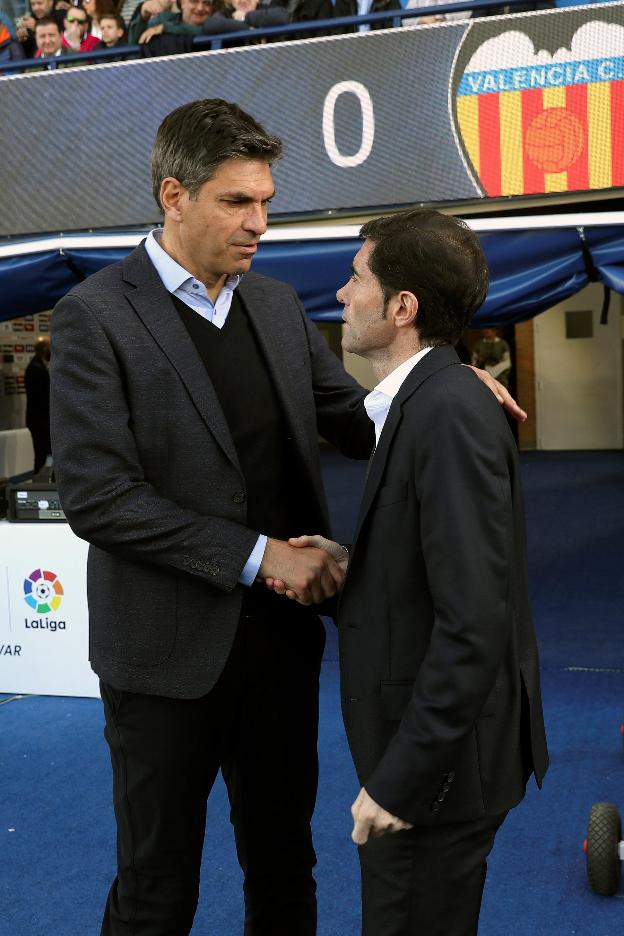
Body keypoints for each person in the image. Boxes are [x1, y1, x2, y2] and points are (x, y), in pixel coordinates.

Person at [50, 99, 523, 936]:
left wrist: (443, 386)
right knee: (156, 889)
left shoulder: (273, 305)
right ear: (174, 196)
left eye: (266, 201)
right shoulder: (95, 317)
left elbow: (354, 414)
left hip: (282, 648)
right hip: (163, 663)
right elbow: (100, 496)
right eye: (238, 202)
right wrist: (259, 554)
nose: (259, 222)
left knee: (283, 864)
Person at [274, 209, 549, 936]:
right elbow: (436, 571)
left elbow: (474, 620)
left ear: (402, 308)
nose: (340, 294)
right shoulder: (428, 400)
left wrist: (400, 782)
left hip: (437, 780)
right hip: (429, 767)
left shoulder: (447, 409)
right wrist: (354, 566)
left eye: (355, 277)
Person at [24, 336, 51, 474]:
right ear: (45, 349)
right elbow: (42, 398)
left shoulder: (38, 366)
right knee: (41, 456)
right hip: (39, 422)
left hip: (40, 421)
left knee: (43, 455)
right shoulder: (35, 369)